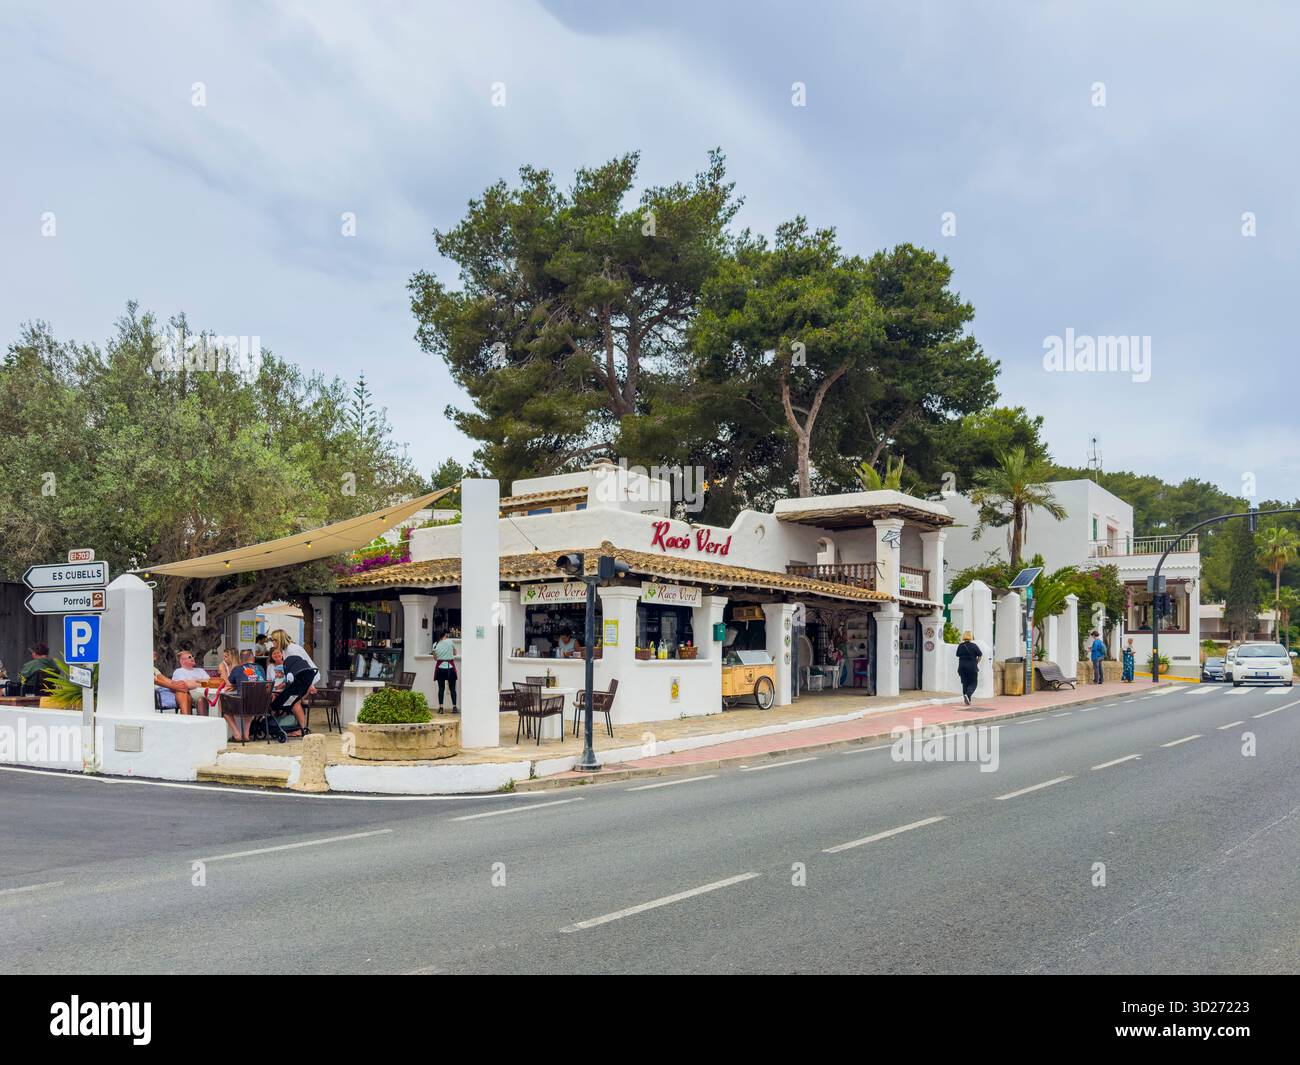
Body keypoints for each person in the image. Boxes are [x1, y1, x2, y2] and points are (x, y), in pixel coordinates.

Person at [267, 629, 316, 737]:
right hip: (301, 678)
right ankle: (300, 728)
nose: (273, 643)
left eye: (273, 640)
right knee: (294, 702)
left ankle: (301, 729)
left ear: (278, 639)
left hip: (307, 678)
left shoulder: (292, 649)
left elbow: (304, 666)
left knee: (295, 702)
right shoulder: (285, 650)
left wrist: (310, 684)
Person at [219, 650, 266, 741]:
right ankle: (246, 734)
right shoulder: (261, 668)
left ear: (240, 660)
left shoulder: (237, 669)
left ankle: (237, 734)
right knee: (250, 701)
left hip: (243, 705)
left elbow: (228, 684)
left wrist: (234, 685)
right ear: (253, 658)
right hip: (260, 705)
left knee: (222, 704)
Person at [172, 650, 212, 715]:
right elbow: (188, 685)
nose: (193, 658)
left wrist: (195, 682)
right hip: (190, 695)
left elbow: (210, 682)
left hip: (209, 693)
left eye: (193, 656)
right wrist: (202, 681)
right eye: (190, 657)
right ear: (182, 661)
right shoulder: (179, 672)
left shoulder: (200, 670)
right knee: (201, 700)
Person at [433, 629, 458, 713]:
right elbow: (455, 653)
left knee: (441, 688)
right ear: (445, 635)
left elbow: (435, 658)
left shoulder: (435, 644)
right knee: (452, 688)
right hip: (450, 667)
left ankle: (441, 708)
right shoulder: (450, 642)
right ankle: (454, 707)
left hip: (440, 668)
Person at [955, 631, 982, 706]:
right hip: (972, 667)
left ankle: (968, 699)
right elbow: (980, 655)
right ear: (971, 637)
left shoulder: (960, 646)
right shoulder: (974, 646)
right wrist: (976, 662)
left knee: (965, 683)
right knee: (974, 683)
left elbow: (957, 655)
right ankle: (968, 694)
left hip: (962, 667)